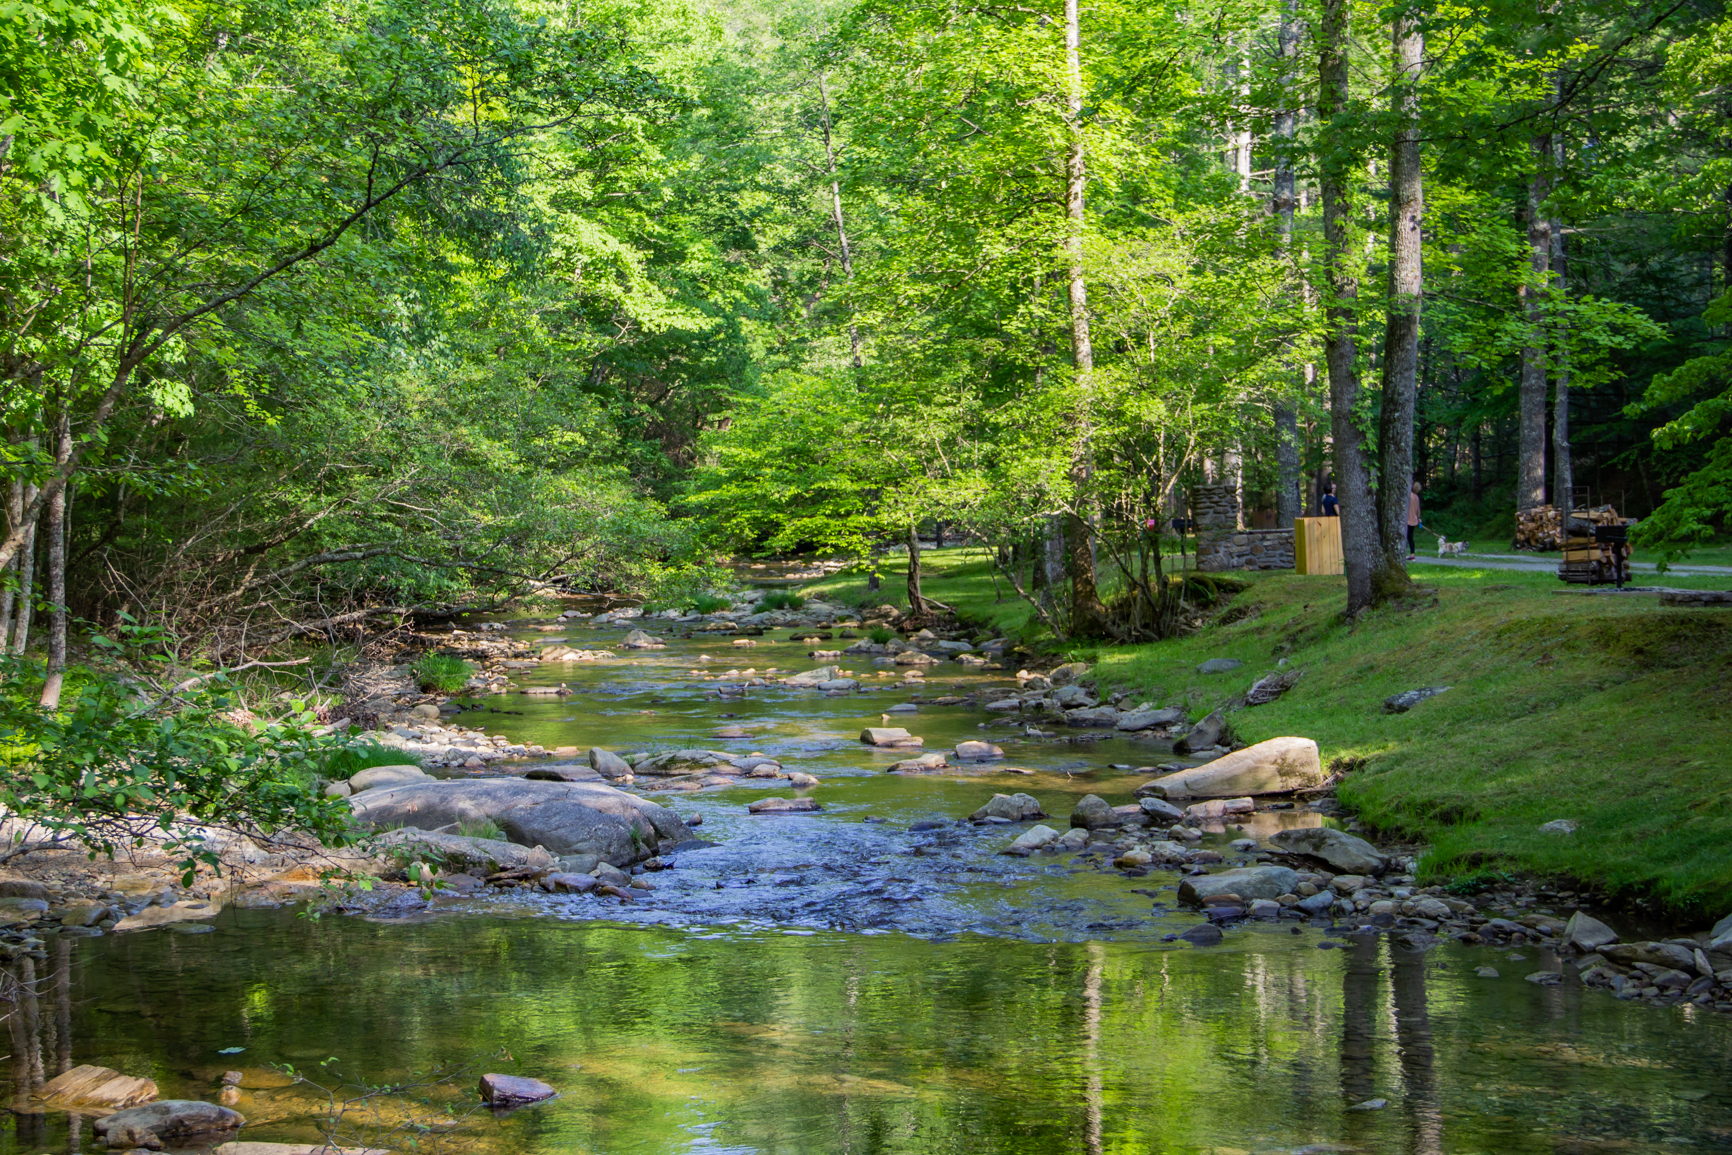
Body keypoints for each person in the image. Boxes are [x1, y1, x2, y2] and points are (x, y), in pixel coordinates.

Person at [1406, 480, 1423, 560]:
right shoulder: (1416, 497)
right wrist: (1418, 518)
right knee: (1410, 537)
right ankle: (1412, 553)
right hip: (1413, 520)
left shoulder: (1408, 495)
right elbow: (1418, 510)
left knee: (1406, 536)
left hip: (1407, 520)